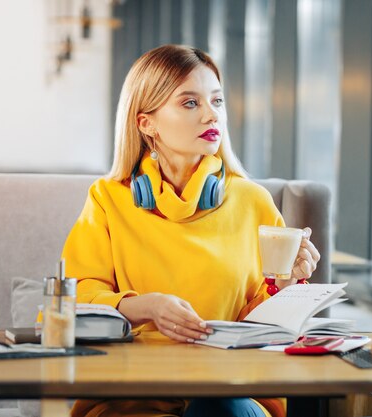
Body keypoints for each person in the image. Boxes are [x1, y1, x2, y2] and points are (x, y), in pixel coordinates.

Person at [62, 44, 320, 417]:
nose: (210, 115)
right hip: (132, 392)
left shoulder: (253, 201)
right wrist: (146, 306)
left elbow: (266, 324)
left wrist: (286, 285)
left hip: (229, 389)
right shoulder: (107, 200)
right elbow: (72, 299)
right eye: (190, 103)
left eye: (217, 101)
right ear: (146, 123)